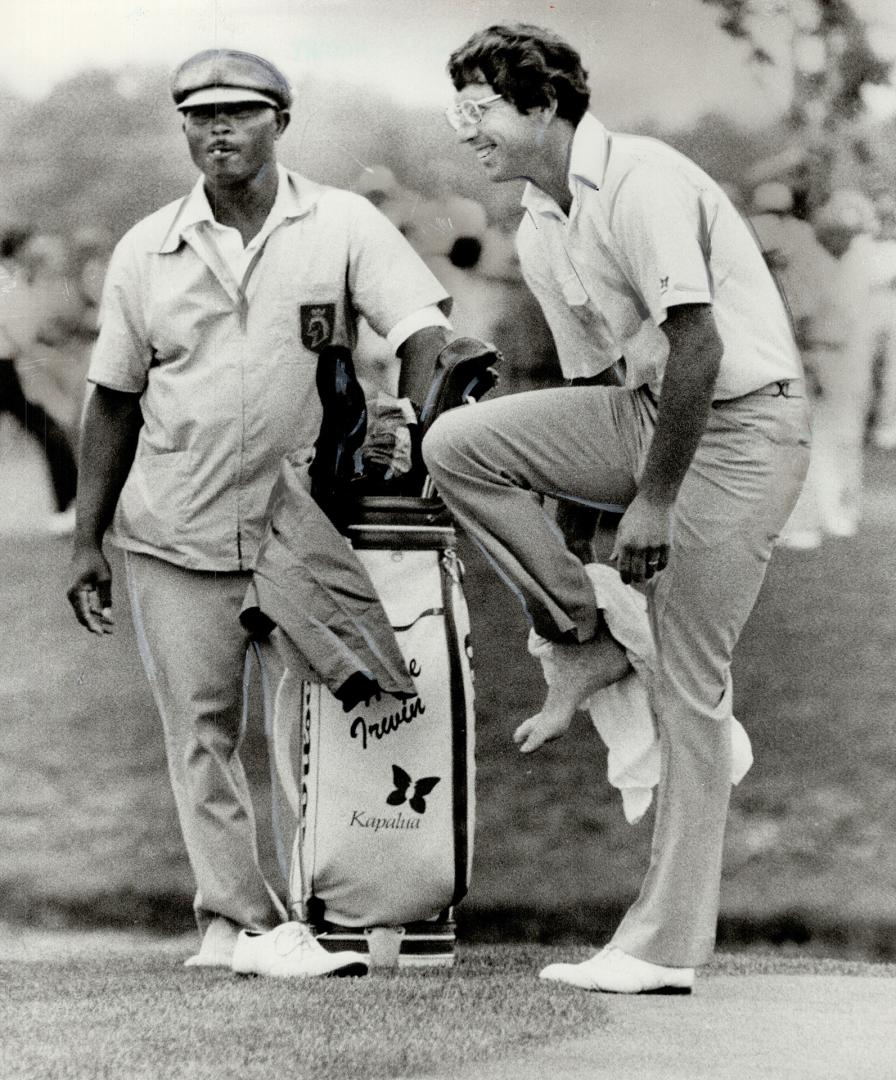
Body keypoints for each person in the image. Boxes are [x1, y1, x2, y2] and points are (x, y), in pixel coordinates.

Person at [423, 24, 809, 994]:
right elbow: (596, 391)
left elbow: (700, 349)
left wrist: (653, 502)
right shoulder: (537, 224)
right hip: (648, 418)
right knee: (457, 445)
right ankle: (588, 634)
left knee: (686, 688)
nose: (465, 131)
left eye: (479, 109)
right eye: (457, 113)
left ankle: (662, 948)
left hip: (742, 432)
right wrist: (587, 588)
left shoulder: (639, 181)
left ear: (543, 105)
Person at [67, 49, 452, 975]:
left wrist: (404, 423)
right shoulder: (146, 246)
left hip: (301, 528)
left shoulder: (344, 223)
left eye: (240, 112)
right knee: (199, 732)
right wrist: (86, 539)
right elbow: (114, 397)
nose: (219, 130)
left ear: (282, 121)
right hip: (172, 527)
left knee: (318, 728)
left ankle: (324, 915)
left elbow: (425, 332)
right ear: (183, 128)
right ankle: (235, 921)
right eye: (200, 116)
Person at [0, 227, 79, 532]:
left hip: (7, 366)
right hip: (3, 367)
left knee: (47, 430)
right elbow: (20, 333)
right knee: (48, 431)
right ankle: (67, 505)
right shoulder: (8, 281)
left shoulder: (16, 279)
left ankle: (67, 504)